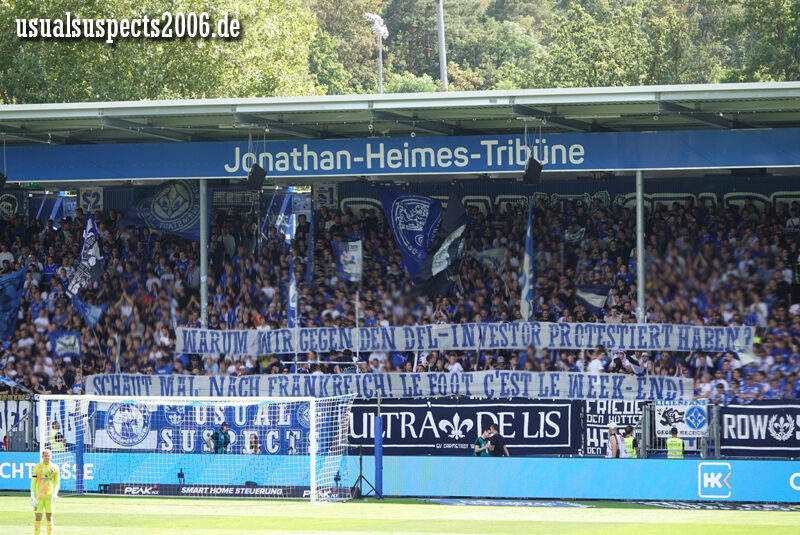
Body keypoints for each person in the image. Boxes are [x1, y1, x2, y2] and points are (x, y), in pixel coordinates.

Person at [31, 449, 59, 535]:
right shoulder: (37, 467)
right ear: (42, 456)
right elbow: (33, 482)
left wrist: (55, 493)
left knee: (49, 517)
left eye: (49, 456)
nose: (47, 457)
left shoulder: (55, 468)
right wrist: (32, 496)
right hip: (39, 497)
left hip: (49, 497)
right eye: (45, 456)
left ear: (51, 456)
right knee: (38, 517)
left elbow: (57, 482)